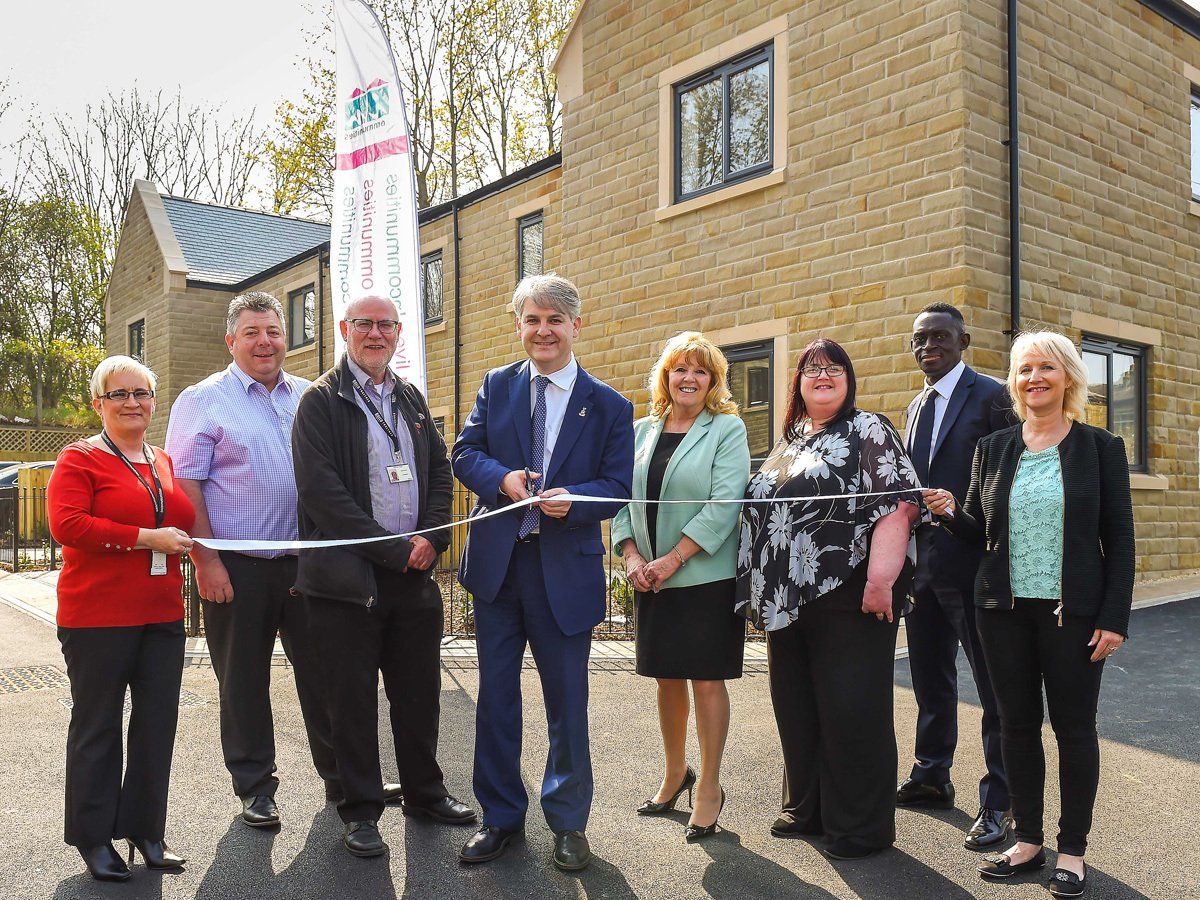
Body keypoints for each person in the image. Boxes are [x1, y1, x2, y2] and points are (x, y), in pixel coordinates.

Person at [924, 329, 1134, 898]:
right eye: (1023, 370)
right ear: (1014, 383)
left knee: (1073, 729)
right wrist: (947, 512)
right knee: (1016, 726)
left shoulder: (1100, 448)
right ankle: (1028, 839)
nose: (1033, 378)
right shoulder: (993, 448)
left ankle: (1073, 850)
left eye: (1045, 368)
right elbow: (978, 531)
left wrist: (1114, 618)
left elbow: (1120, 541)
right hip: (1002, 611)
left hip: (1075, 613)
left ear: (1067, 377)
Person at [166, 292, 387, 830]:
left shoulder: (311, 396)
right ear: (231, 340)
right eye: (252, 332)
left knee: (327, 675)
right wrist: (206, 561)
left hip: (308, 566)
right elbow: (185, 486)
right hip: (236, 566)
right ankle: (256, 786)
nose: (264, 342)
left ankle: (342, 778)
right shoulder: (201, 400)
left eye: (273, 331)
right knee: (242, 682)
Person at [452, 274, 633, 871]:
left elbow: (617, 488)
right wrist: (500, 479)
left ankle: (568, 822)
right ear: (519, 326)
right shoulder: (496, 386)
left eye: (554, 319)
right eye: (532, 319)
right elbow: (464, 453)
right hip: (500, 573)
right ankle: (500, 817)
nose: (543, 331)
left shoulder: (609, 405)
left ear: (576, 326)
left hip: (564, 573)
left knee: (567, 705)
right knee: (496, 701)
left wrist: (574, 499)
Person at [291, 294, 475, 858]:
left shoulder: (412, 398)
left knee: (419, 696)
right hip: (349, 582)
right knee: (350, 701)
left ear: (399, 333)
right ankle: (361, 809)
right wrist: (396, 550)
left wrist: (434, 537)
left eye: (386, 326)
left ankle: (423, 793)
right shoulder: (320, 403)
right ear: (345, 329)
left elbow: (440, 475)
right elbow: (324, 496)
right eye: (365, 325)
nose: (376, 334)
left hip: (413, 577)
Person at [736, 338, 923, 861]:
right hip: (786, 600)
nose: (822, 375)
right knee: (796, 707)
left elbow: (898, 506)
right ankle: (808, 807)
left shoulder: (870, 430)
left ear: (849, 378)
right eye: (811, 368)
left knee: (852, 709)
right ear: (796, 382)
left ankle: (859, 827)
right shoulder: (790, 440)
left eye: (833, 368)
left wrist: (881, 580)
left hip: (850, 592)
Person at [47, 356, 195, 881]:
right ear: (99, 404)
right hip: (97, 616)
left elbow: (178, 520)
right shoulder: (78, 459)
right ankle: (93, 838)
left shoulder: (162, 460)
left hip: (160, 614)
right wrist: (144, 539)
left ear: (153, 401)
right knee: (98, 727)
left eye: (141, 393)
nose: (132, 403)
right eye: (120, 394)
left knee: (157, 725)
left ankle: (145, 828)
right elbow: (68, 524)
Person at [611, 332, 750, 841]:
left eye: (699, 370)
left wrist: (672, 559)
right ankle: (676, 774)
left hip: (703, 576)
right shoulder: (639, 430)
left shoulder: (727, 429)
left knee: (706, 681)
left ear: (713, 380)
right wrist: (630, 556)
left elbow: (725, 502)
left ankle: (709, 786)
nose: (688, 379)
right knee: (667, 679)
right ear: (664, 378)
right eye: (678, 369)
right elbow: (620, 498)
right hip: (649, 577)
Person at [898, 301, 1016, 850]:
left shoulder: (993, 396)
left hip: (974, 564)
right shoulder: (916, 405)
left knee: (994, 687)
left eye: (940, 337)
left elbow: (1011, 478)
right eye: (920, 339)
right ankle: (931, 775)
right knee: (930, 677)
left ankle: (1000, 801)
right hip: (923, 569)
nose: (928, 346)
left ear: (963, 341)